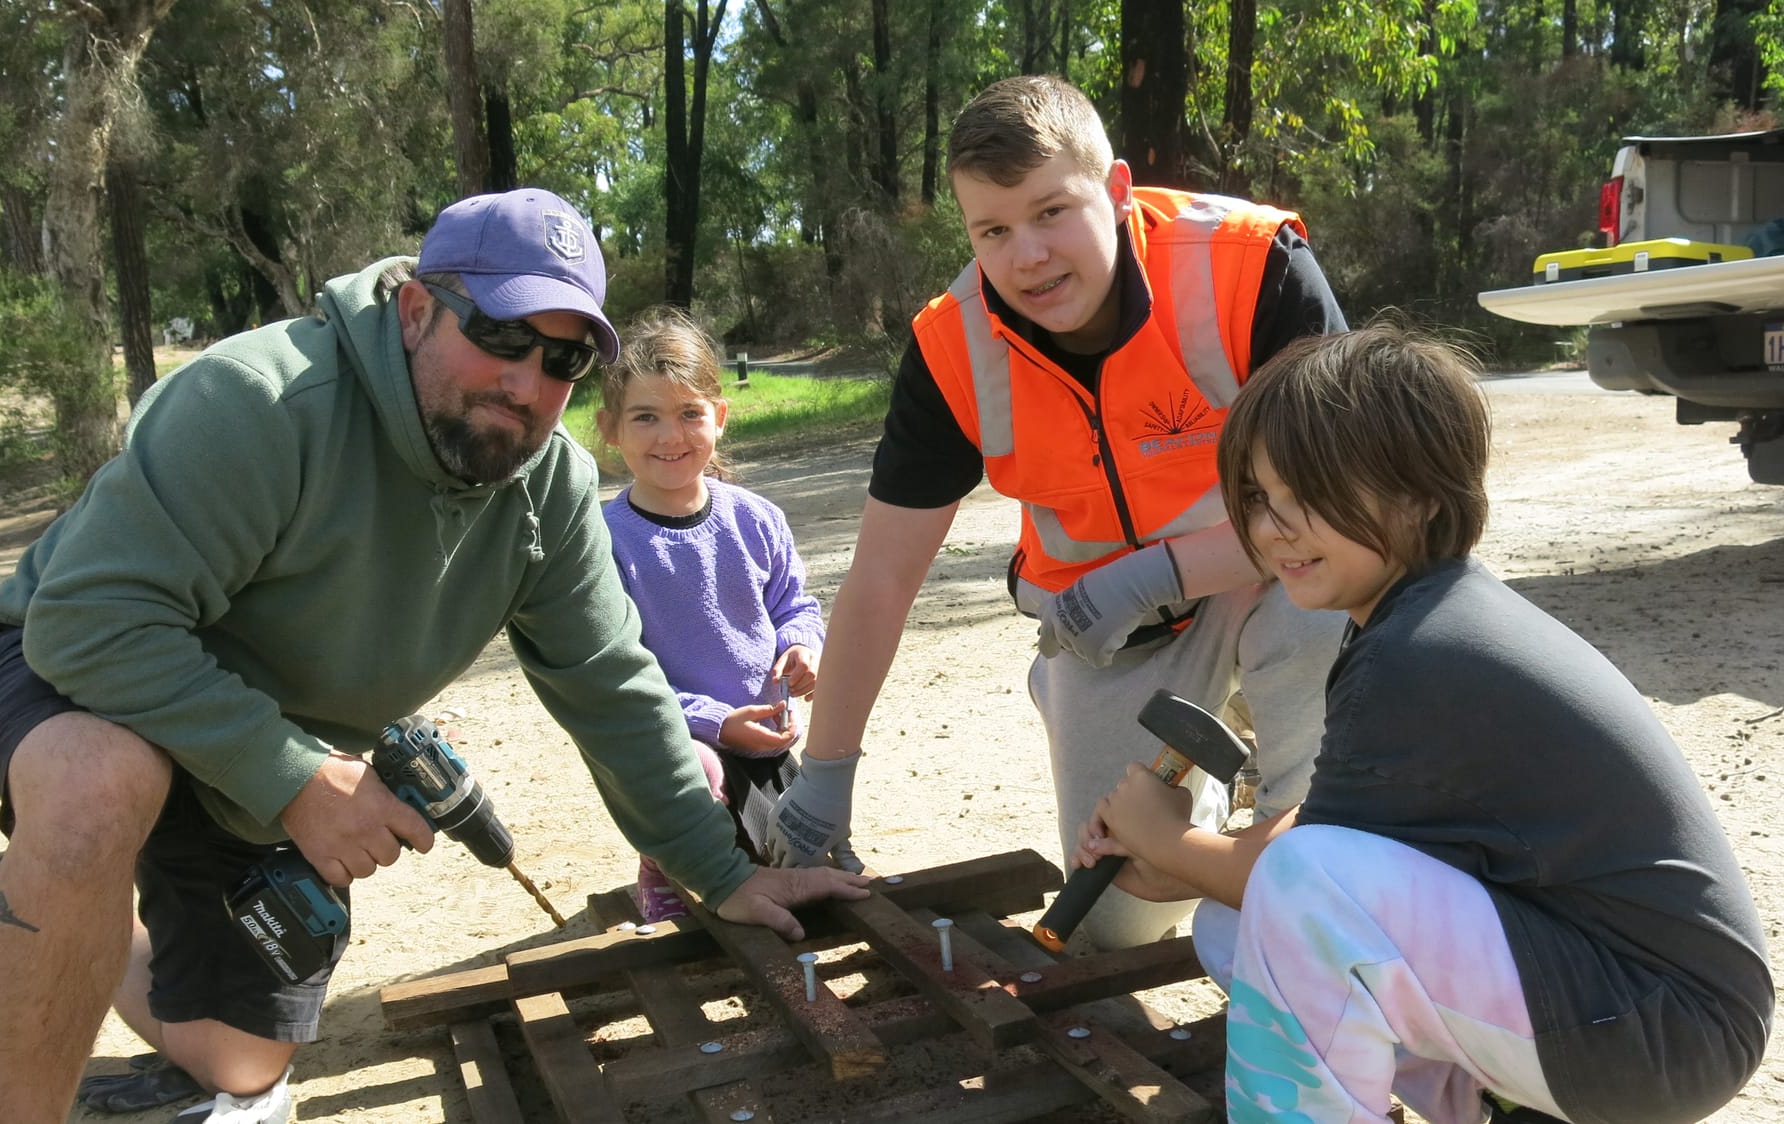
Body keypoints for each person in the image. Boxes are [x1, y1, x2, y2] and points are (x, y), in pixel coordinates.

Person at [0, 188, 868, 1124]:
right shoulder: (257, 400)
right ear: (416, 310)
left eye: (563, 359)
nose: (527, 384)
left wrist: (724, 874)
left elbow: (611, 684)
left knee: (241, 1063)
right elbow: (88, 623)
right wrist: (295, 778)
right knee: (100, 784)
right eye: (501, 335)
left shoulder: (550, 485)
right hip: (85, 675)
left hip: (260, 747)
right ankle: (70, 866)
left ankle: (50, 901)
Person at [1075, 324, 1773, 1123]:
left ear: (1422, 494)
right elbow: (1331, 826)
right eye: (1258, 497)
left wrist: (1166, 838)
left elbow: (1311, 875)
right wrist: (1174, 865)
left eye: (1309, 493)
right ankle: (1489, 1105)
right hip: (1637, 1007)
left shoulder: (1419, 654)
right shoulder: (1422, 614)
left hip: (1664, 1031)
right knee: (1238, 924)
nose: (1272, 527)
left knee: (1299, 893)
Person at [765, 74, 1348, 950]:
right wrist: (825, 773)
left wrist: (1156, 573)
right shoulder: (952, 344)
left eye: (1051, 212)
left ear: (1116, 190)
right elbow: (881, 576)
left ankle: (1302, 825)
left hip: (1275, 583)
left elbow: (1349, 504)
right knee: (1120, 921)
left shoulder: (1251, 266)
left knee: (1323, 624)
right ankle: (1193, 794)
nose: (1027, 256)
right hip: (1113, 637)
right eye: (993, 231)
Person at [593, 307, 826, 921]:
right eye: (645, 417)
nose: (670, 436)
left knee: (796, 859)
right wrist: (717, 723)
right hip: (679, 741)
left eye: (689, 414)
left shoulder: (756, 517)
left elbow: (795, 603)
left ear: (719, 418)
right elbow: (620, 676)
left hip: (766, 732)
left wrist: (802, 645)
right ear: (610, 428)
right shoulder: (605, 543)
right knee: (703, 787)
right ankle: (663, 860)